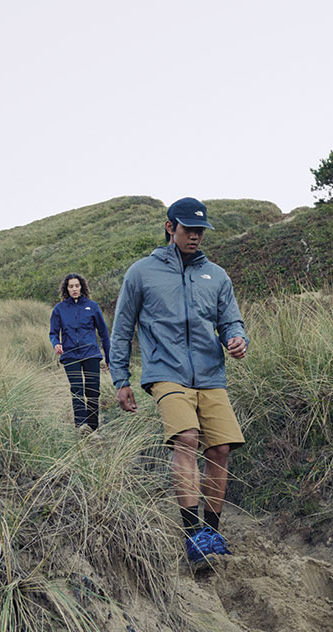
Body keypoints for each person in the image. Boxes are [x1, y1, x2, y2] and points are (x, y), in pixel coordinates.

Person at [109, 197, 248, 564]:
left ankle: (212, 533)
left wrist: (237, 338)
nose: (196, 236)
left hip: (210, 374)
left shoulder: (216, 276)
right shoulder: (141, 273)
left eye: (201, 230)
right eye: (189, 229)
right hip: (165, 372)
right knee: (187, 439)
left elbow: (230, 320)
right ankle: (192, 536)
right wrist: (120, 379)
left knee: (219, 450)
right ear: (170, 227)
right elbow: (122, 329)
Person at [49, 273, 111, 432]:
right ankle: (82, 427)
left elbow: (103, 333)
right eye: (71, 286)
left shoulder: (92, 306)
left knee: (92, 390)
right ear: (66, 289)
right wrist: (56, 344)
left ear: (82, 287)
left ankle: (93, 427)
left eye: (77, 286)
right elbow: (54, 333)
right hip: (70, 355)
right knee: (76, 389)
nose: (74, 289)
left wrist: (109, 356)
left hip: (91, 353)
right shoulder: (59, 309)